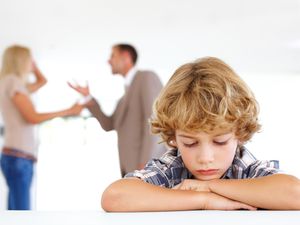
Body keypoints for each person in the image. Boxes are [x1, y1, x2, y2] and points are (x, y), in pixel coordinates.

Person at [101, 57, 300, 211]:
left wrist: (209, 186)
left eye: (220, 141)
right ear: (174, 138)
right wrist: (204, 200)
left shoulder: (243, 166)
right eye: (190, 143)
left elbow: (295, 194)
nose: (205, 158)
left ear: (239, 133)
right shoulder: (173, 166)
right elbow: (116, 196)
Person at [0, 45, 84, 210]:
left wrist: (34, 67)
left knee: (15, 212)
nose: (32, 63)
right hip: (19, 157)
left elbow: (42, 81)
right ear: (21, 60)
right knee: (22, 214)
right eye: (30, 59)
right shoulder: (14, 82)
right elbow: (32, 117)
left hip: (13, 155)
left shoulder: (6, 82)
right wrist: (69, 111)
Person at [69, 44, 166, 177]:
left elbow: (157, 121)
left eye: (112, 56)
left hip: (146, 169)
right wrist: (88, 98)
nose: (109, 61)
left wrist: (147, 164)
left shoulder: (146, 77)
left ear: (126, 57)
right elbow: (108, 124)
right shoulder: (123, 99)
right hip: (130, 169)